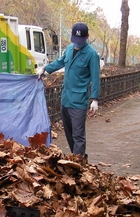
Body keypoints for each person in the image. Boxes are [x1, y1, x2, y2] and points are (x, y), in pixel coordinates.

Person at [37, 22, 100, 162]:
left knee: (78, 135)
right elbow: (59, 62)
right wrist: (45, 69)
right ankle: (78, 158)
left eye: (80, 41)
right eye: (75, 40)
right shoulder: (70, 49)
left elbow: (95, 78)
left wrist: (95, 100)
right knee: (69, 133)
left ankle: (77, 164)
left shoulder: (92, 55)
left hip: (79, 102)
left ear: (87, 37)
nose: (77, 44)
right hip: (65, 99)